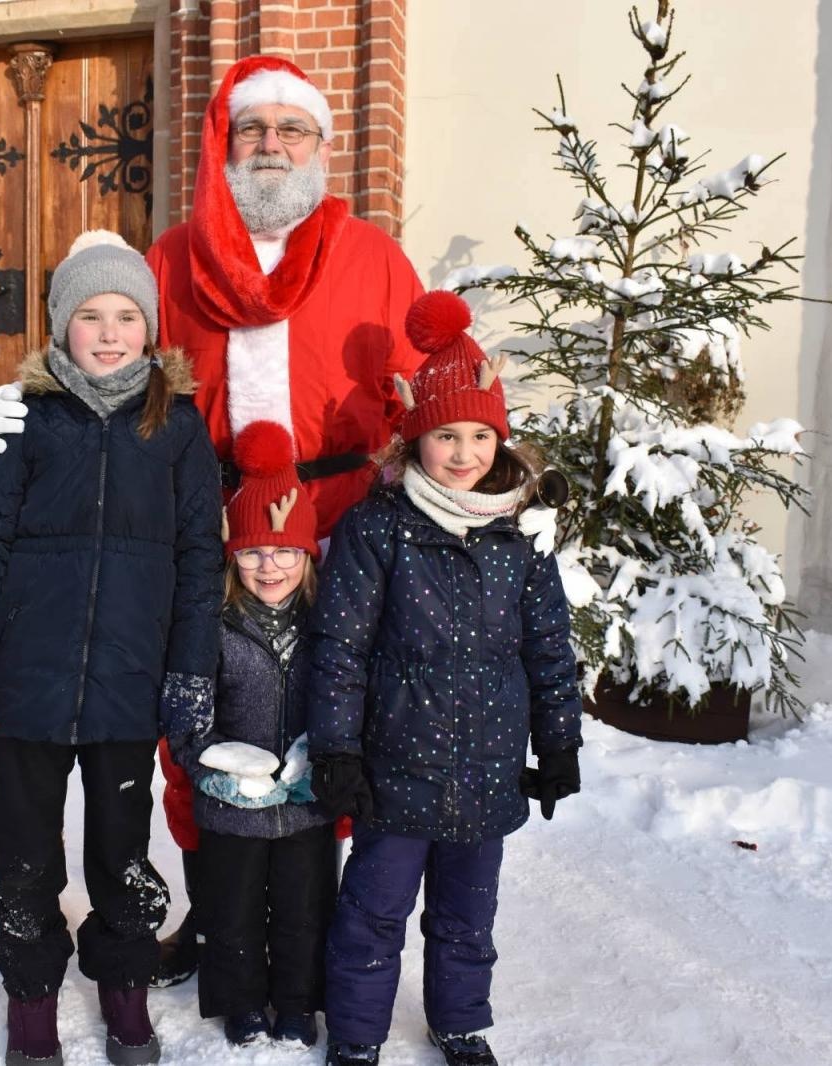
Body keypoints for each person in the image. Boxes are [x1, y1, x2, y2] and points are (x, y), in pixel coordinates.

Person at [0, 54, 428, 987]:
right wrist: (27, 418)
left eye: (289, 129)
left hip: (334, 525)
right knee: (198, 721)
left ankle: (308, 921)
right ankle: (214, 917)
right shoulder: (172, 260)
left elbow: (420, 399)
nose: (270, 146)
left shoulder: (375, 258)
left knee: (324, 715)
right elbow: (114, 374)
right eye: (251, 129)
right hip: (203, 522)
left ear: (320, 144)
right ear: (225, 143)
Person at [0, 230, 223, 1066]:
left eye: (126, 315)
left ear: (150, 328)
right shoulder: (29, 422)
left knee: (120, 854)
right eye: (90, 315)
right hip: (29, 683)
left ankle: (124, 992)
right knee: (25, 857)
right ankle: (31, 1003)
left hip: (129, 688)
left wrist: (190, 669)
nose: (108, 332)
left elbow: (200, 559)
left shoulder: (176, 430)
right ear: (62, 326)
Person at [306, 291, 585, 1066]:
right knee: (372, 912)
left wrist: (559, 744)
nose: (462, 453)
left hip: (487, 767)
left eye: (477, 435)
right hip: (395, 767)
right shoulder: (378, 527)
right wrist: (337, 750)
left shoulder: (521, 535)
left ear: (499, 438)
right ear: (414, 437)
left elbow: (549, 648)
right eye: (443, 435)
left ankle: (461, 1023)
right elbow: (341, 648)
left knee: (467, 915)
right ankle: (358, 1037)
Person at [165, 420, 337, 1050]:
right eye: (255, 552)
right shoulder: (212, 623)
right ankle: (239, 1001)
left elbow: (345, 698)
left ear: (307, 556)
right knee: (230, 909)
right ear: (233, 556)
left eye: (286, 551)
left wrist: (327, 761)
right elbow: (186, 708)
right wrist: (208, 768)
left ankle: (297, 1002)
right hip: (229, 804)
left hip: (305, 803)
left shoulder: (326, 625)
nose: (272, 566)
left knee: (303, 909)